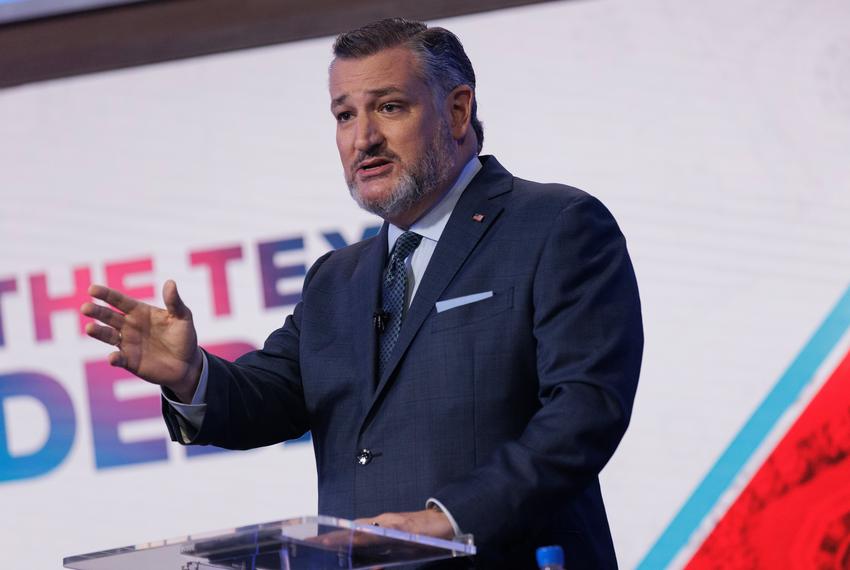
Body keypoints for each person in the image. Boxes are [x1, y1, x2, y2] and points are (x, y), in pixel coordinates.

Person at [81, 18, 643, 569]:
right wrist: (190, 374)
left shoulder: (554, 224)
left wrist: (448, 519)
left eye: (390, 107)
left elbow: (585, 409)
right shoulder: (335, 279)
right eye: (345, 114)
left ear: (457, 110)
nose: (363, 137)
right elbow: (268, 398)